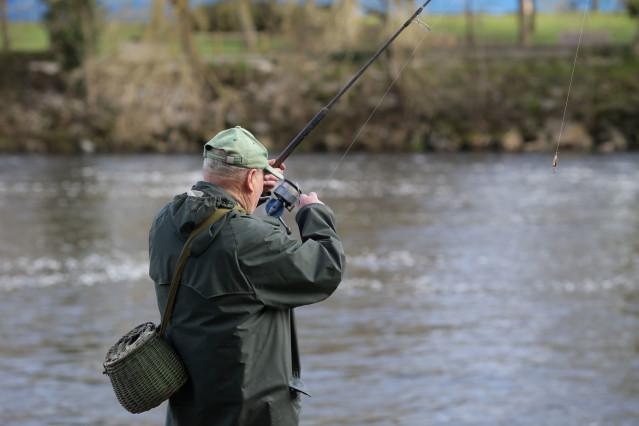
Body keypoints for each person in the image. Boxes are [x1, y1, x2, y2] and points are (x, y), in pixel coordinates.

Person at [149, 126, 346, 425]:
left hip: (190, 412)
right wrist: (313, 213)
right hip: (252, 414)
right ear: (251, 178)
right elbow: (326, 269)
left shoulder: (164, 222)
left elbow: (223, 242)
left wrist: (251, 196)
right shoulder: (250, 240)